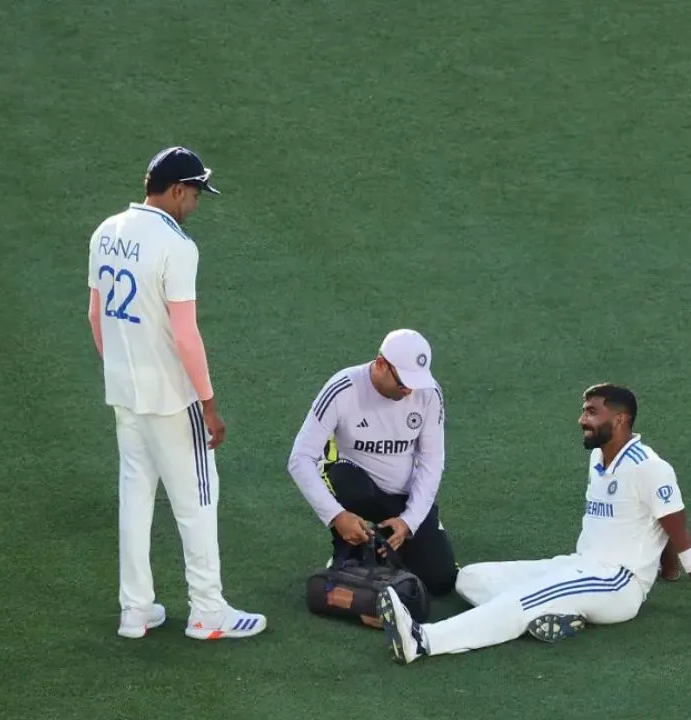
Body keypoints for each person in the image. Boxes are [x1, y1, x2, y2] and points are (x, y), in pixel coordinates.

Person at [376, 383, 691, 664]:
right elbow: (659, 527)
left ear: (619, 419)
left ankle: (422, 640)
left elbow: (680, 535)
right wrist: (667, 570)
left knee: (520, 601)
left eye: (592, 412)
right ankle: (558, 616)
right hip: (578, 565)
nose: (582, 419)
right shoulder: (599, 459)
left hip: (617, 582)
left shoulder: (650, 468)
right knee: (470, 578)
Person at [86, 146, 266, 640]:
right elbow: (186, 336)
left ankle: (135, 610)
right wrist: (208, 404)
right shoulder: (176, 245)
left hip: (123, 392)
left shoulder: (106, 231)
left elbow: (95, 316)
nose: (197, 204)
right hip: (171, 398)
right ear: (178, 190)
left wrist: (122, 369)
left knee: (135, 497)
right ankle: (208, 611)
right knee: (197, 502)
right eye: (196, 193)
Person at [286, 329, 458, 596]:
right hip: (355, 488)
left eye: (415, 383)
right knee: (347, 480)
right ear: (380, 364)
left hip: (402, 497)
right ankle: (349, 548)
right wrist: (336, 516)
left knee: (441, 581)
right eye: (403, 383)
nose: (410, 390)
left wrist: (410, 521)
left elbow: (431, 459)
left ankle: (382, 550)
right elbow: (300, 458)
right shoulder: (342, 389)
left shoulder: (428, 393)